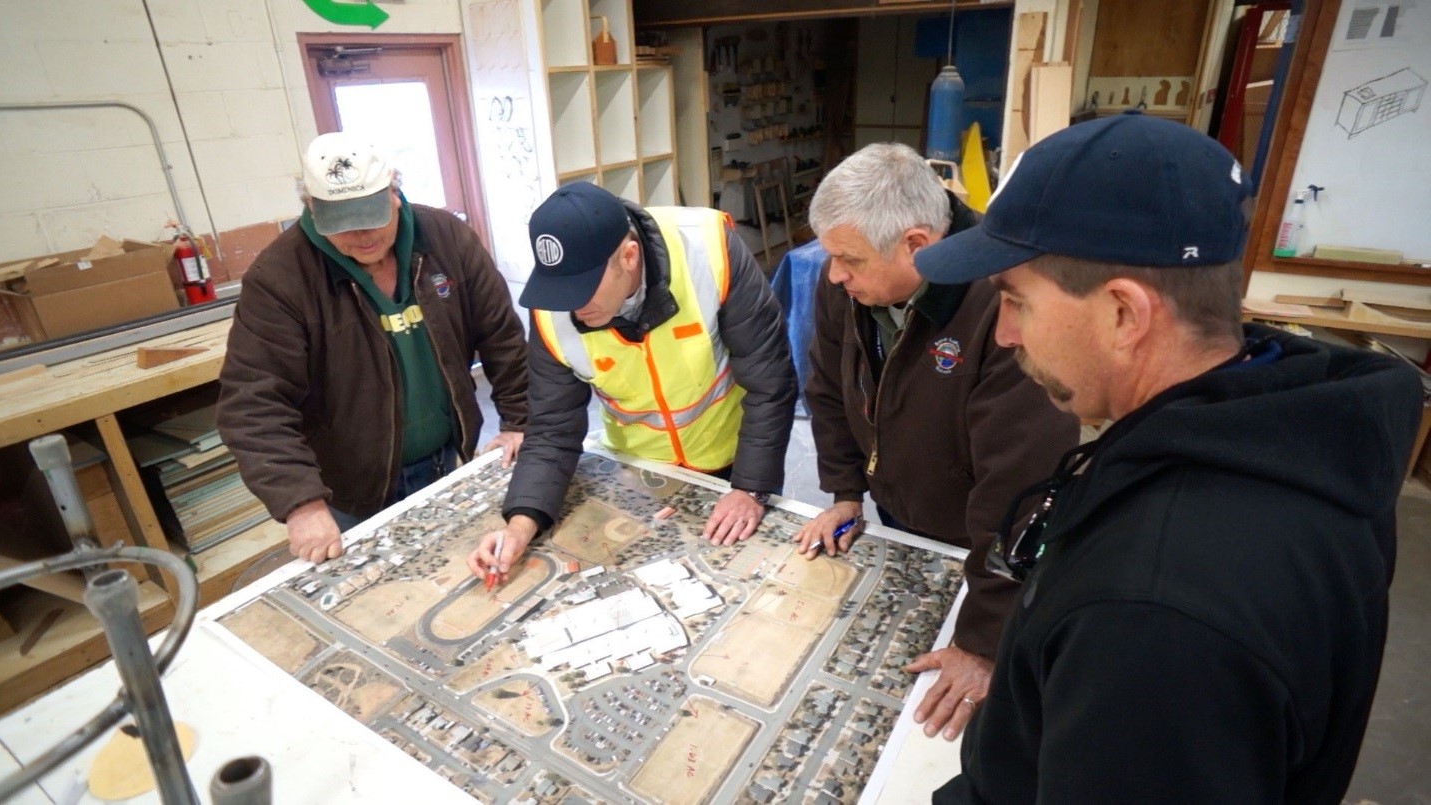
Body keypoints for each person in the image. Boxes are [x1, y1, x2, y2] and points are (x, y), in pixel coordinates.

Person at [915, 110, 1423, 802]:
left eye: (1016, 300)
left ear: (1125, 314)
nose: (1004, 334)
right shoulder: (1297, 436)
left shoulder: (1154, 612)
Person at [799, 142, 1079, 741]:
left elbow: (1020, 493)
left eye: (848, 259)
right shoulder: (846, 284)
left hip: (979, 537)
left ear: (917, 246)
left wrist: (982, 643)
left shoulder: (1001, 309)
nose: (833, 274)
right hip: (899, 508)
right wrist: (846, 492)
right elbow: (827, 388)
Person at [218, 131, 528, 564]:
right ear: (311, 207)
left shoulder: (445, 238)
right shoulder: (280, 279)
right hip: (351, 490)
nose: (363, 236)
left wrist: (519, 419)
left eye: (372, 216)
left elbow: (502, 337)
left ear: (394, 192)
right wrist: (301, 502)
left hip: (446, 459)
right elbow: (253, 406)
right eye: (344, 224)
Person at [467, 183, 795, 580]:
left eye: (583, 289)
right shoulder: (553, 310)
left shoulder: (709, 250)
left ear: (629, 256)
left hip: (734, 460)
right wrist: (519, 525)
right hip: (638, 473)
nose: (570, 306)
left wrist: (751, 487)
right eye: (560, 290)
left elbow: (769, 379)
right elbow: (552, 428)